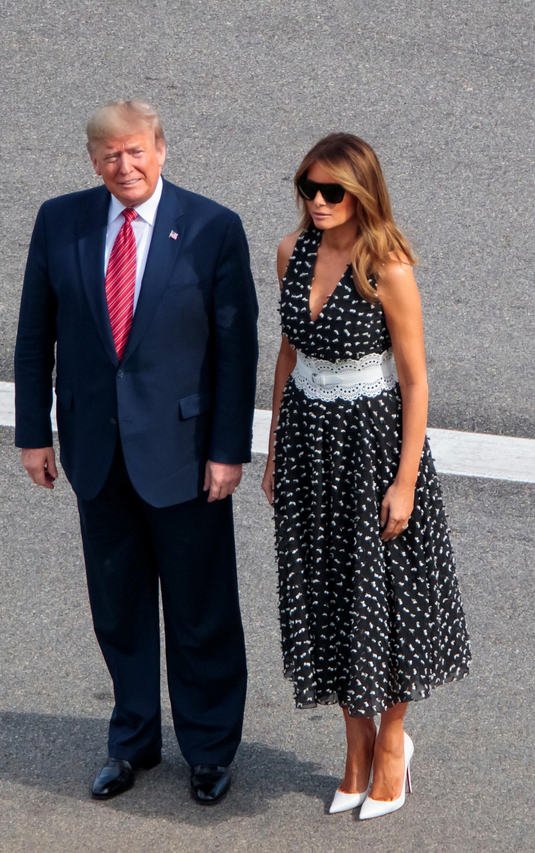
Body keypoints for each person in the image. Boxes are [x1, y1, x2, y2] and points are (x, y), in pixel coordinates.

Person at [15, 100, 258, 805]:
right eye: (109, 154)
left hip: (186, 455)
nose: (124, 165)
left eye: (136, 151)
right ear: (93, 161)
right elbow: (37, 336)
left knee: (200, 609)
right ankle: (133, 742)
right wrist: (35, 431)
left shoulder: (212, 228)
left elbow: (234, 353)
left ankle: (210, 749)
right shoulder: (61, 221)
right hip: (96, 449)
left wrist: (227, 450)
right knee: (117, 608)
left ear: (161, 150)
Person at [261, 133, 471, 820]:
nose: (317, 203)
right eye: (308, 189)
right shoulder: (292, 254)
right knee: (327, 593)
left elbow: (414, 378)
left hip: (373, 449)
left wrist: (405, 479)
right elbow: (287, 356)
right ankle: (353, 750)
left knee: (386, 598)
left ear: (363, 193)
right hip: (308, 445)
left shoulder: (388, 266)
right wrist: (273, 447)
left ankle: (391, 747)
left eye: (333, 192)